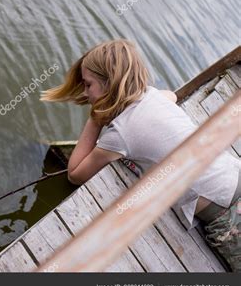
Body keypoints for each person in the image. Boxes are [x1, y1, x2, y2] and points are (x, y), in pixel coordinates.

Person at [40, 39, 240, 271]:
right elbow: (171, 96)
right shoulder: (150, 95)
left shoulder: (121, 134)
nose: (85, 93)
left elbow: (75, 174)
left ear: (110, 84)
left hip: (225, 213)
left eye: (88, 85)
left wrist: (95, 119)